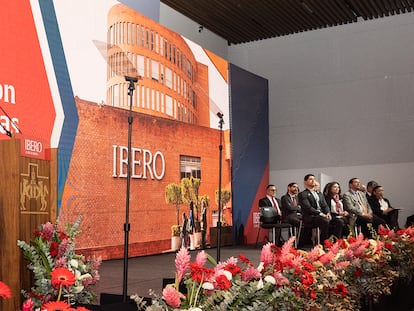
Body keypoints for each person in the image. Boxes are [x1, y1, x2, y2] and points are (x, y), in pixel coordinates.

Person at [298, 174, 331, 243]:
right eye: (310, 179)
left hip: (321, 216)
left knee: (338, 221)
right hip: (310, 217)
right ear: (305, 182)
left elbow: (325, 205)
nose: (313, 181)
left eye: (314, 179)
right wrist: (321, 214)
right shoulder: (303, 194)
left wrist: (328, 213)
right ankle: (324, 243)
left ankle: (335, 242)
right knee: (325, 221)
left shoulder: (319, 194)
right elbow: (308, 208)